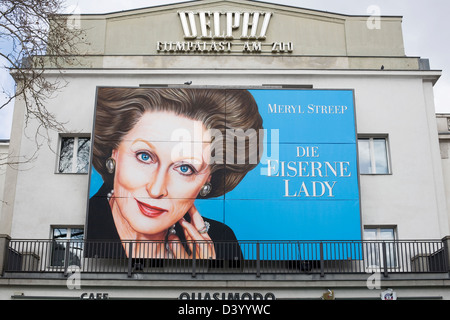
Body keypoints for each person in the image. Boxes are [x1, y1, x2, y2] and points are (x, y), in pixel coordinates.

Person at [86, 88, 263, 261]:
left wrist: (205, 275)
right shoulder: (83, 227)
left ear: (207, 180)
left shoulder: (220, 240)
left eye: (185, 168)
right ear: (114, 151)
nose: (156, 190)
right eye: (144, 156)